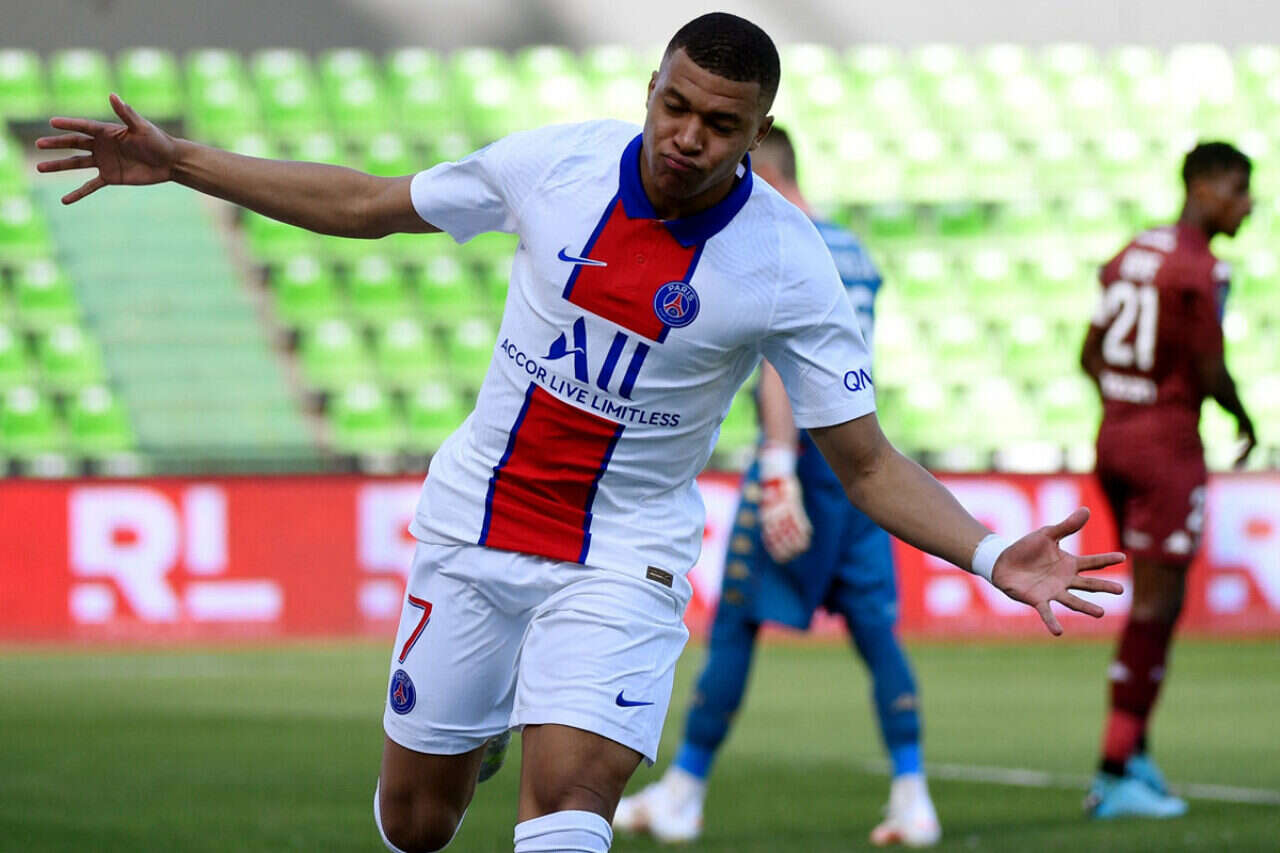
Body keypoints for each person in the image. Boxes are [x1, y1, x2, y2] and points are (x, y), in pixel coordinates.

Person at [38, 13, 1123, 853]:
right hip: (475, 523)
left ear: (757, 135)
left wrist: (991, 551)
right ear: (649, 89)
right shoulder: (554, 167)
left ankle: (544, 725)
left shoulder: (788, 264)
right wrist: (184, 161)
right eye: (677, 106)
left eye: (721, 125)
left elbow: (867, 461)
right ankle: (476, 728)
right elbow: (369, 204)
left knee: (569, 797)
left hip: (623, 553)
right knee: (417, 820)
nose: (689, 137)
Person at [613, 127, 939, 847]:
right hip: (862, 458)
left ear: (756, 170)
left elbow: (786, 365)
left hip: (805, 460)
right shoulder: (852, 248)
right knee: (875, 627)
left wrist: (779, 466)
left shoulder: (781, 244)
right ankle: (913, 796)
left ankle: (685, 791)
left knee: (736, 619)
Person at [1080, 141, 1256, 820]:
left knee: (1150, 602)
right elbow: (1210, 369)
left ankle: (1137, 752)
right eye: (1238, 190)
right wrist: (1242, 418)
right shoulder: (1197, 268)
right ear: (1202, 188)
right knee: (1157, 608)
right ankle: (1113, 773)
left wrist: (1126, 403)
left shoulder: (1134, 250)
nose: (1247, 205)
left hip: (1114, 438)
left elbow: (1088, 354)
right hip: (1167, 448)